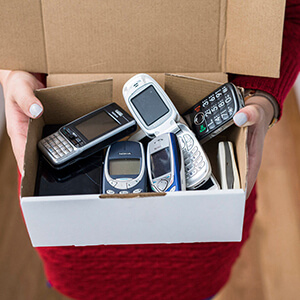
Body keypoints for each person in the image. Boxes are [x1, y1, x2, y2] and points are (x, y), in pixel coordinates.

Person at [0, 1, 299, 299]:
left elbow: (293, 14)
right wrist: (12, 73)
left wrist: (263, 96)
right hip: (75, 248)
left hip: (198, 247)